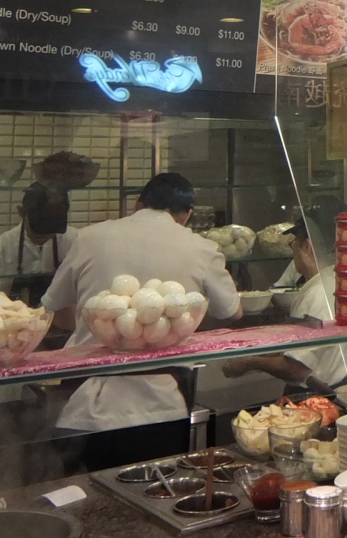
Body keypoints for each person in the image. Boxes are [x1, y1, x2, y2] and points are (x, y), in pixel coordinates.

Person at [42, 173, 242, 465]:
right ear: (187, 215)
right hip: (163, 403)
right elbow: (232, 312)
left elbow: (51, 308)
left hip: (87, 402)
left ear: (138, 204)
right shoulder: (202, 247)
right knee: (155, 485)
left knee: (84, 490)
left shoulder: (88, 237)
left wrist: (96, 322)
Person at [222, 220, 347, 394]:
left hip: (314, 396)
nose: (293, 251)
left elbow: (297, 370)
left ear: (306, 247)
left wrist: (249, 362)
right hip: (340, 387)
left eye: (293, 244)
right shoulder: (338, 281)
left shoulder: (316, 294)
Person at [0, 182, 76, 294]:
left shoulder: (75, 243)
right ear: (21, 212)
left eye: (50, 233)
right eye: (38, 232)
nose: (42, 239)